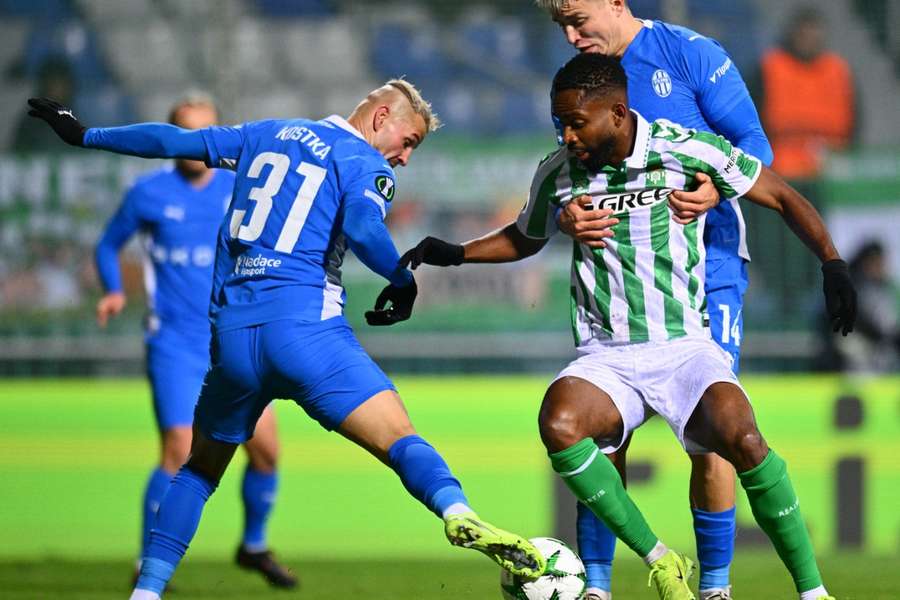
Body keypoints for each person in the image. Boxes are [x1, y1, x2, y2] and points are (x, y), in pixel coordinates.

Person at [26, 79, 545, 600]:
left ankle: (147, 591)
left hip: (233, 342)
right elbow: (364, 229)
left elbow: (172, 142)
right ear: (381, 117)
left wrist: (85, 134)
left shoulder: (265, 133)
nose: (404, 158)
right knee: (401, 439)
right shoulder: (364, 163)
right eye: (408, 142)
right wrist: (402, 280)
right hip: (306, 335)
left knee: (198, 471)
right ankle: (457, 512)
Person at [401, 53, 855, 600]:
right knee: (561, 423)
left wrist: (832, 263)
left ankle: (813, 593)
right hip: (606, 356)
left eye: (576, 122)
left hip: (684, 348)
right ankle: (645, 566)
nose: (567, 136)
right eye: (559, 123)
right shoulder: (558, 172)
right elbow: (525, 237)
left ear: (617, 113)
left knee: (744, 438)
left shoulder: (685, 150)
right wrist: (454, 253)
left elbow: (780, 194)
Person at [534, 2, 774, 597]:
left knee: (714, 432)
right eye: (561, 27)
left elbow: (754, 146)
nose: (572, 35)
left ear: (615, 0)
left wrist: (714, 191)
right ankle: (597, 585)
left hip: (708, 265)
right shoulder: (583, 82)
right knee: (603, 436)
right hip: (616, 278)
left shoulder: (690, 54)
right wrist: (564, 218)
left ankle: (714, 587)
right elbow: (571, 178)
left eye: (578, 19)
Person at [94, 94, 296, 589]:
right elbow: (107, 244)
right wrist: (115, 290)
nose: (196, 143)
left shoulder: (241, 186)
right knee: (178, 451)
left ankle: (253, 546)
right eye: (187, 131)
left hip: (233, 339)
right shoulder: (148, 193)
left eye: (205, 130)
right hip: (175, 342)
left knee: (267, 450)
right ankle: (147, 561)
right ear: (173, 135)